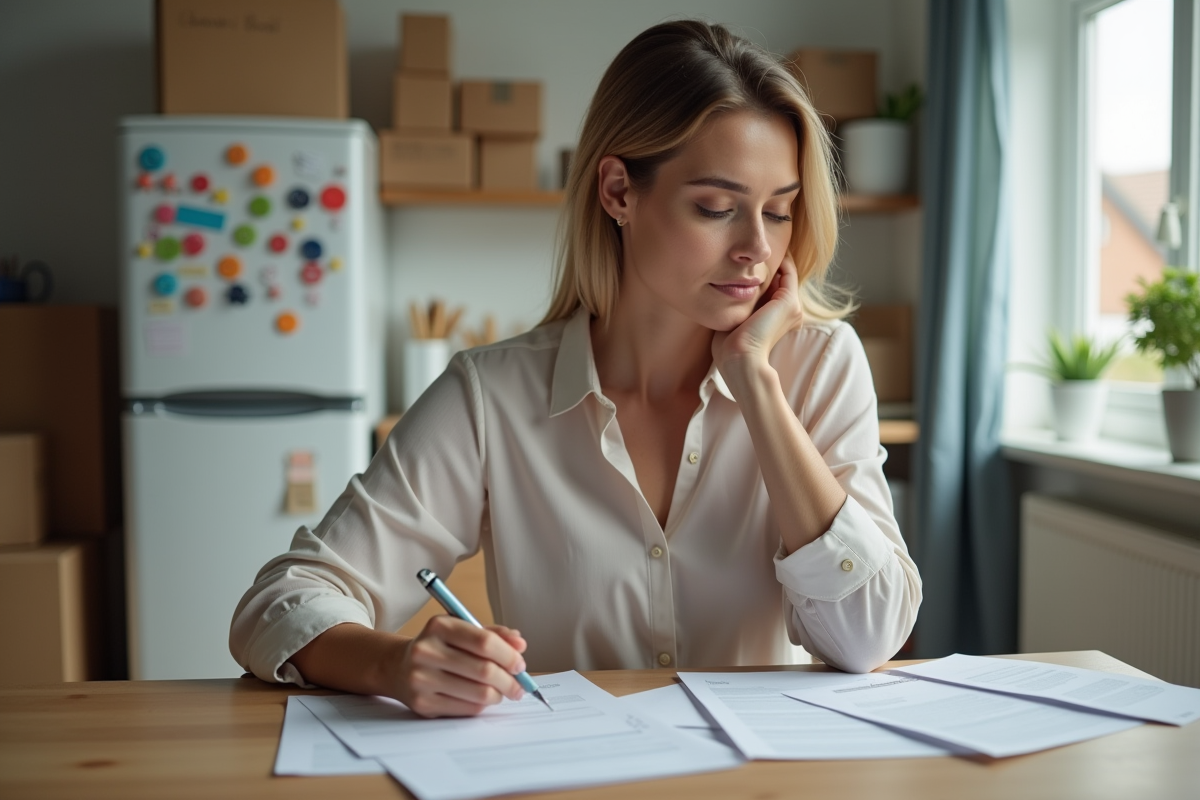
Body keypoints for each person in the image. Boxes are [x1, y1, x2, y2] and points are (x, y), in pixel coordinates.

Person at [230, 19, 921, 719]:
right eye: (717, 208)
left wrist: (755, 383)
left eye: (778, 212)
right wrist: (399, 662)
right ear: (618, 191)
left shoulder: (819, 368)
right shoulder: (491, 396)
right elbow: (277, 604)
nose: (756, 248)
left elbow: (866, 639)